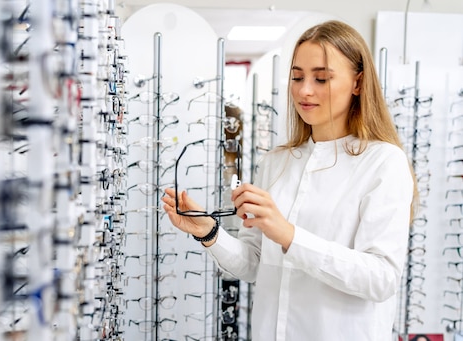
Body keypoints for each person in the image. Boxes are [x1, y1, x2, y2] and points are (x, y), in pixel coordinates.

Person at [162, 20, 416, 340]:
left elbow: (381, 279)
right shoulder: (277, 162)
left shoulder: (383, 162)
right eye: (297, 77)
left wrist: (289, 236)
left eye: (321, 78)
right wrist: (209, 232)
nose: (304, 90)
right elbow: (254, 263)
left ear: (358, 82)